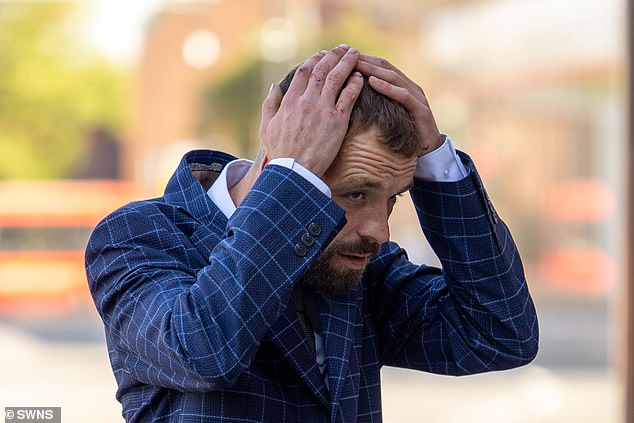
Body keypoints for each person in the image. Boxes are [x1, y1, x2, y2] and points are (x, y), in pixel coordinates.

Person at [85, 44, 538, 422]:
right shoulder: (139, 237)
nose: (379, 231)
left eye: (393, 197)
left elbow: (498, 333)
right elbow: (204, 349)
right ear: (277, 165)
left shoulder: (361, 269)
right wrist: (294, 173)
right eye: (356, 195)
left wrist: (439, 163)